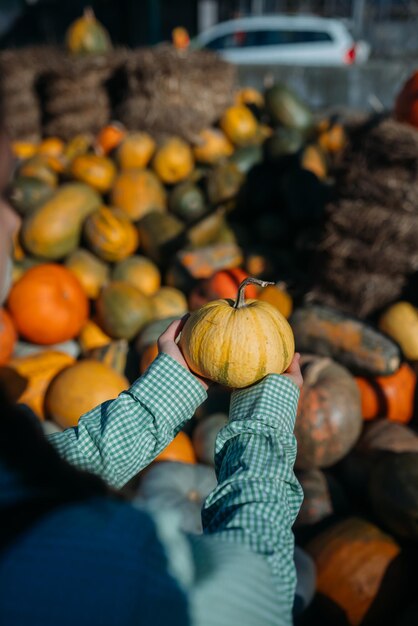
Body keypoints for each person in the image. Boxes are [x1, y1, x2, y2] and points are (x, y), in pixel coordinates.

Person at [0, 122, 304, 625]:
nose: (16, 218)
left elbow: (44, 478)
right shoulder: (106, 562)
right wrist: (264, 429)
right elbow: (259, 596)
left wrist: (159, 399)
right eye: (6, 191)